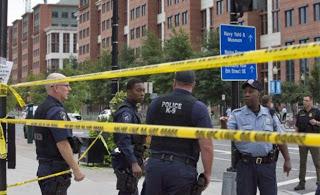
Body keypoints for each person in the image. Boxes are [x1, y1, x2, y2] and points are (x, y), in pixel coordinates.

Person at [142, 71, 214, 194]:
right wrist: (207, 173)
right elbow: (206, 146)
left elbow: (146, 135)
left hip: (155, 165)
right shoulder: (198, 108)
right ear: (193, 84)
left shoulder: (156, 103)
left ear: (174, 82)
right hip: (181, 169)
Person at [227, 79, 291, 195]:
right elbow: (227, 133)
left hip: (267, 166)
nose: (247, 94)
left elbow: (280, 138)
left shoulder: (270, 115)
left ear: (259, 94)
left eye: (250, 91)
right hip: (245, 166)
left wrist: (287, 159)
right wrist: (222, 125)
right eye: (245, 92)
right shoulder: (236, 115)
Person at [34, 73, 85, 195]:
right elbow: (62, 143)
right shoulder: (56, 111)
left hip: (45, 167)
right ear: (56, 88)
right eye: (66, 85)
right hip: (55, 170)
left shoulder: (42, 108)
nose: (70, 89)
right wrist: (77, 170)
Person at [111, 78, 146, 195]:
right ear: (129, 91)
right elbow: (124, 140)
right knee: (128, 190)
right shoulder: (125, 112)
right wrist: (133, 163)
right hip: (126, 160)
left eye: (143, 90)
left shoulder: (133, 110)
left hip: (131, 158)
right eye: (138, 90)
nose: (142, 93)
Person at [294, 95, 320, 191]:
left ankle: (319, 183)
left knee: (317, 163)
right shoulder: (300, 112)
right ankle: (301, 183)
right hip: (302, 141)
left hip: (314, 140)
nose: (304, 102)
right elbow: (296, 126)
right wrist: (296, 137)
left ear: (311, 101)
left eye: (306, 100)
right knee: (302, 163)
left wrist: (316, 122)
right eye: (303, 100)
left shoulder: (316, 111)